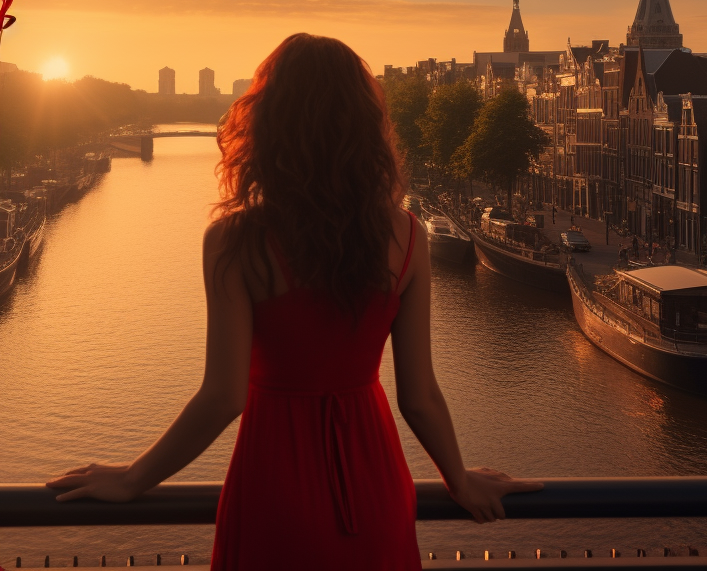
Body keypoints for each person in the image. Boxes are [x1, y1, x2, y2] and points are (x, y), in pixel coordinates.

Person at [46, 34, 539, 569]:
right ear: (365, 128)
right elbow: (419, 397)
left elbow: (222, 397)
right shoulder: (408, 238)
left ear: (266, 124)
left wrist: (132, 477)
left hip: (273, 483)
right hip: (373, 485)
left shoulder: (234, 243)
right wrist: (458, 478)